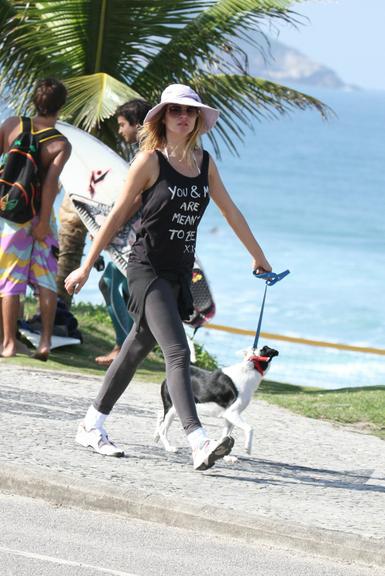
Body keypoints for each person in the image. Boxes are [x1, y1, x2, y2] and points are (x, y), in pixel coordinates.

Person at [65, 83, 272, 471]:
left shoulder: (203, 163)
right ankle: (199, 440)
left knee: (137, 347)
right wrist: (84, 264)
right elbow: (115, 217)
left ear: (196, 120)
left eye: (190, 112)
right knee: (177, 352)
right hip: (146, 270)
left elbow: (230, 211)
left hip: (179, 273)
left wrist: (258, 256)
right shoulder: (149, 161)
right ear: (162, 117)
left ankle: (91, 424)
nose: (183, 116)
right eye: (175, 110)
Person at [0, 78, 71, 359]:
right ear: (60, 106)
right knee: (45, 278)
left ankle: (7, 342)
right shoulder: (60, 144)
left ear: (34, 101)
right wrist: (43, 223)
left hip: (10, 215)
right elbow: (51, 185)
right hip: (40, 217)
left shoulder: (11, 124)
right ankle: (44, 342)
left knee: (8, 279)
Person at [95, 99, 152, 367]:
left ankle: (126, 348)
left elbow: (138, 198)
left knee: (117, 284)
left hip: (134, 236)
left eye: (122, 125)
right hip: (125, 233)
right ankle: (124, 344)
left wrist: (113, 226)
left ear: (137, 125)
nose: (120, 131)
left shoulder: (147, 154)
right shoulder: (139, 153)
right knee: (109, 283)